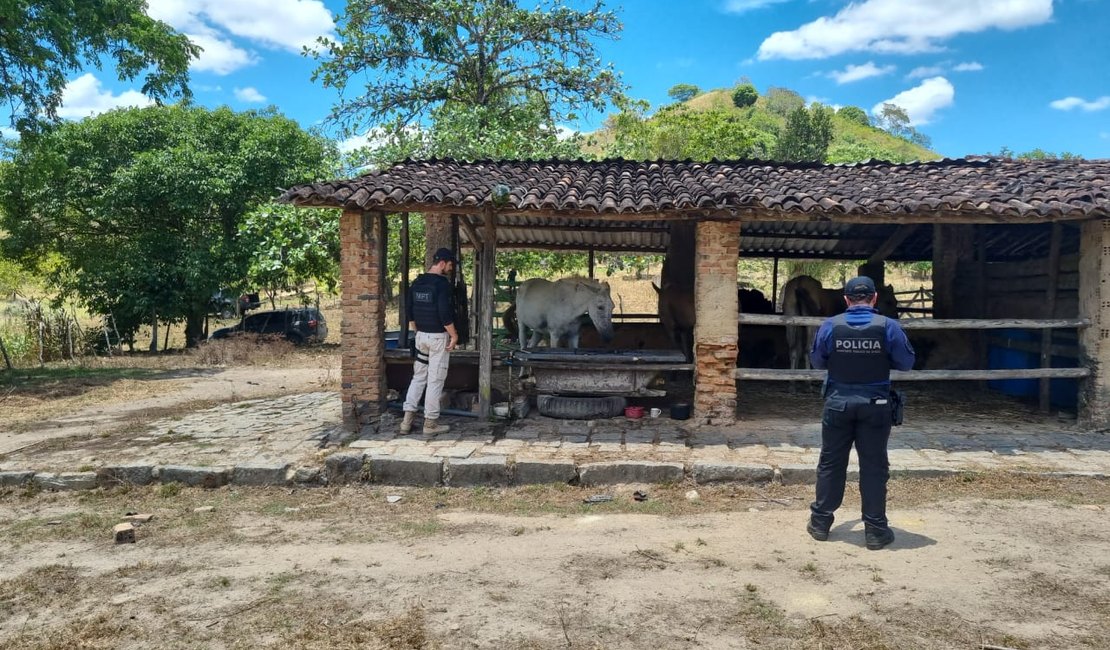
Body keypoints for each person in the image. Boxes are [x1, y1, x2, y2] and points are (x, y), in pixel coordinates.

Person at [806, 276, 915, 550]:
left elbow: (817, 360)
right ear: (875, 298)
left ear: (845, 299)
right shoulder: (889, 327)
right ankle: (876, 531)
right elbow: (906, 363)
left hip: (837, 403)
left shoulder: (830, 326)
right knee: (874, 466)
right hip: (875, 405)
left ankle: (820, 523)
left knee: (830, 463)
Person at [400, 248, 459, 435]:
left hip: (421, 337)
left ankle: (406, 422)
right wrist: (454, 335)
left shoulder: (418, 282)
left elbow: (409, 308)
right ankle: (430, 424)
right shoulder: (441, 285)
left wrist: (417, 330)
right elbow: (444, 313)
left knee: (418, 378)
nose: (450, 269)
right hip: (437, 338)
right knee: (435, 380)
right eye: (449, 265)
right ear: (442, 263)